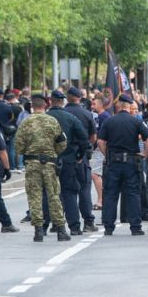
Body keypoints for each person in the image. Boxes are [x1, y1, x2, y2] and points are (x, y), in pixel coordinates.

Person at [15, 95, 70, 242]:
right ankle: (61, 230)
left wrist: (29, 152)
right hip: (50, 164)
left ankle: (38, 231)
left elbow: (18, 146)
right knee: (54, 196)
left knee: (35, 197)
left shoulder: (26, 122)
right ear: (45, 106)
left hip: (32, 164)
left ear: (32, 106)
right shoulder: (52, 121)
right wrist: (53, 152)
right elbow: (62, 142)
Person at [97, 94, 148, 236]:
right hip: (132, 162)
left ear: (119, 105)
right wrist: (145, 153)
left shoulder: (109, 121)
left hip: (113, 162)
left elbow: (100, 141)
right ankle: (135, 227)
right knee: (133, 194)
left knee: (110, 194)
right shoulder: (136, 121)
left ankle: (108, 227)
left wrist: (106, 155)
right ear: (130, 106)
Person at [48, 91, 90, 235]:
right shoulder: (70, 118)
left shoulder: (43, 118)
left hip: (46, 160)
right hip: (68, 160)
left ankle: (46, 226)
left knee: (48, 193)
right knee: (69, 193)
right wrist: (80, 154)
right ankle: (74, 227)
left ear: (50, 101)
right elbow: (84, 138)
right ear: (62, 102)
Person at [65, 87, 98, 231]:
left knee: (67, 191)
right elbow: (93, 136)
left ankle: (70, 225)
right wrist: (87, 147)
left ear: (68, 97)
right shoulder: (86, 114)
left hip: (63, 156)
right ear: (80, 97)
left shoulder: (61, 113)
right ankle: (88, 222)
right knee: (84, 188)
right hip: (81, 155)